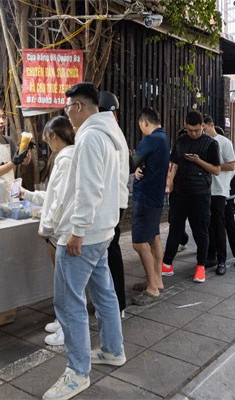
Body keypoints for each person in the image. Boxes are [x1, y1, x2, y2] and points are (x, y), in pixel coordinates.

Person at [43, 83, 127, 400]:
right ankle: (112, 349)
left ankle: (78, 373)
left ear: (79, 106)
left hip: (85, 233)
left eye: (68, 108)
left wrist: (77, 230)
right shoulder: (110, 132)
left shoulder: (90, 136)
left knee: (68, 301)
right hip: (103, 229)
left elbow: (87, 188)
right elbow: (115, 184)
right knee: (104, 292)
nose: (67, 114)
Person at [21, 116, 75, 347]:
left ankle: (66, 330)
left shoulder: (65, 159)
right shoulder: (71, 155)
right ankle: (62, 321)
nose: (47, 144)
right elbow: (54, 196)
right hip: (65, 229)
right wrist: (28, 194)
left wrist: (45, 228)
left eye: (46, 139)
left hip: (64, 231)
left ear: (54, 136)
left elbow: (59, 200)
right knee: (65, 281)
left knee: (66, 283)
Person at [161, 110, 220, 283]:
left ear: (203, 126)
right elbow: (175, 163)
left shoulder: (211, 144)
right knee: (175, 228)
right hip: (179, 192)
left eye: (196, 130)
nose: (193, 133)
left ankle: (200, 266)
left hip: (200, 193)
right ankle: (167, 264)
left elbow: (216, 170)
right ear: (185, 127)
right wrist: (170, 182)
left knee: (200, 230)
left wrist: (198, 161)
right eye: (189, 130)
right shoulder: (181, 140)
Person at [129, 107, 170, 305]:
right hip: (156, 196)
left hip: (145, 197)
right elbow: (145, 163)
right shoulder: (163, 137)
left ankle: (152, 288)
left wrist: (133, 164)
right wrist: (139, 167)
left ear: (145, 123)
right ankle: (156, 280)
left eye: (140, 126)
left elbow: (131, 162)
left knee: (139, 243)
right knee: (154, 239)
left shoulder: (151, 139)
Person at [98, 91, 129, 314]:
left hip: (108, 202)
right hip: (116, 200)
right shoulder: (114, 130)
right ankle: (116, 303)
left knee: (109, 252)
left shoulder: (101, 132)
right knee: (110, 251)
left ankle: (116, 303)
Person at [204, 114, 235, 275]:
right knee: (206, 225)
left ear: (211, 125)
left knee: (218, 225)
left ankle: (222, 259)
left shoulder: (224, 142)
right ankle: (209, 256)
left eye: (204, 128)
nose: (202, 132)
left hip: (218, 189)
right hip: (202, 189)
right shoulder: (201, 142)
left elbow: (232, 165)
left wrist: (211, 166)